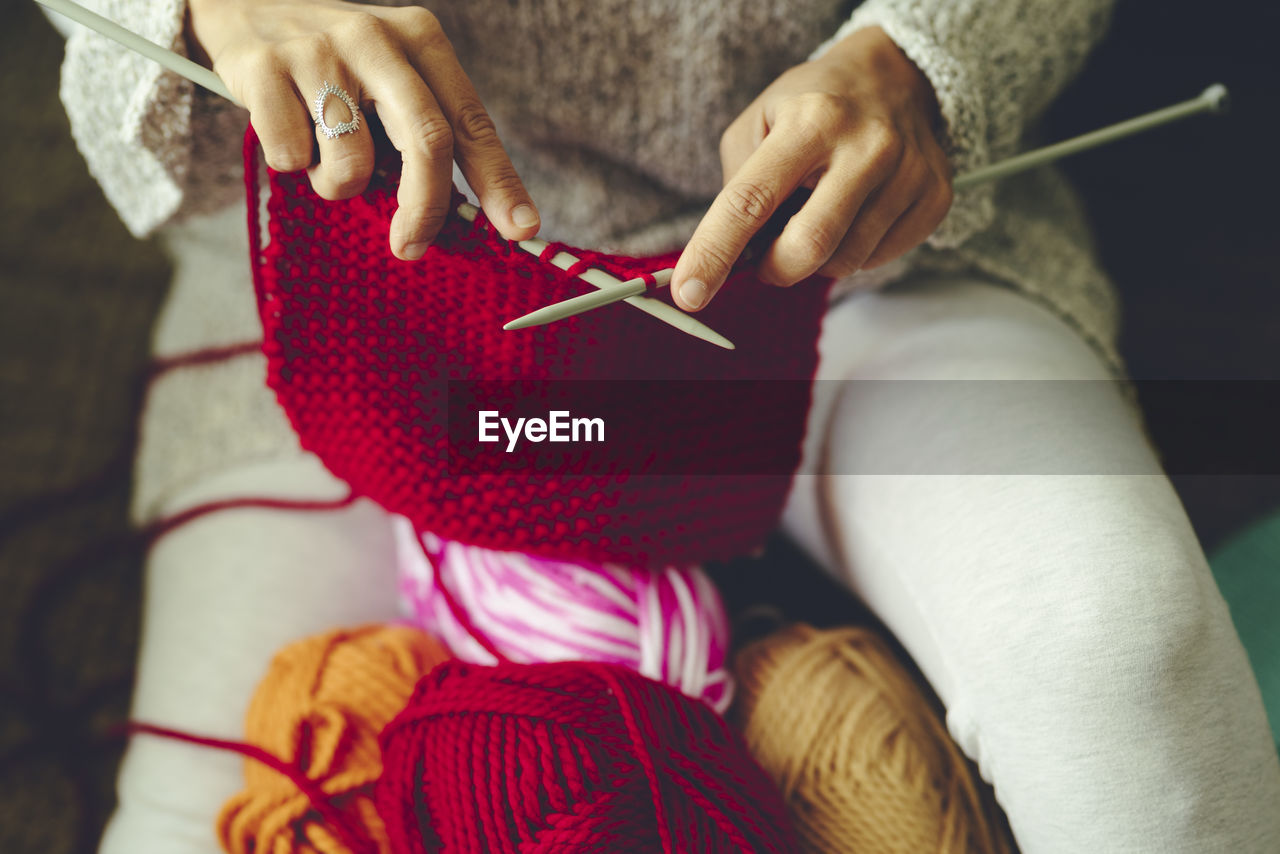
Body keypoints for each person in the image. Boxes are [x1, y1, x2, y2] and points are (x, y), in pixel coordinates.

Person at [51, 0, 1280, 850]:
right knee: (199, 810)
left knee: (1114, 649)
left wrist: (917, 59)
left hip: (845, 237)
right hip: (367, 273)